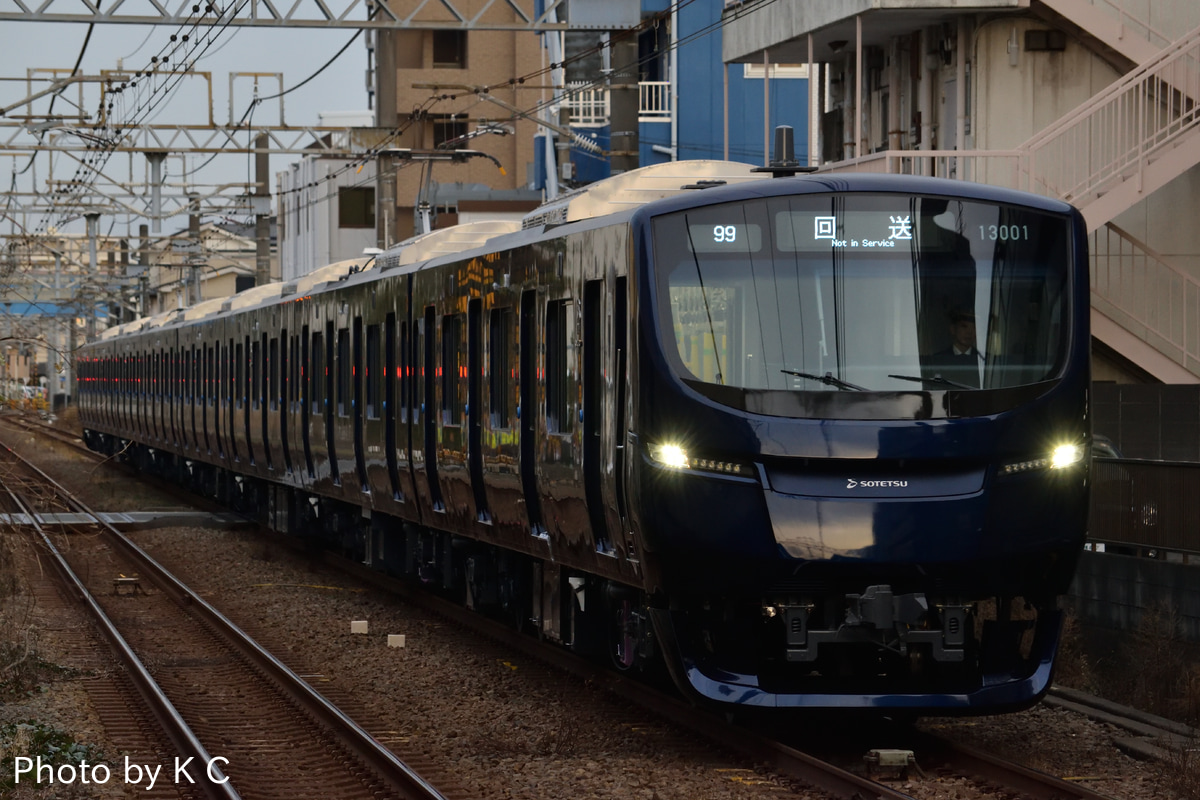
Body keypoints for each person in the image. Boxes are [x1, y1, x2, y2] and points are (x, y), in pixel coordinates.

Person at [928, 306, 982, 388]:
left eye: (974, 327)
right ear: (953, 329)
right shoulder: (937, 360)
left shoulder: (984, 361)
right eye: (964, 326)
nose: (969, 332)